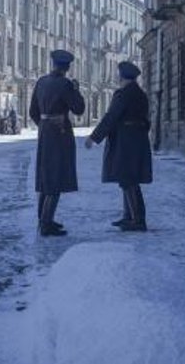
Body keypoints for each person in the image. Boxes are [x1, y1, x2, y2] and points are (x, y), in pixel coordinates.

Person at [85, 60, 152, 232]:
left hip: (125, 142)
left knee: (127, 180)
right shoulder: (141, 94)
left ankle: (137, 220)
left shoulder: (122, 94)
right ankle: (129, 216)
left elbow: (111, 117)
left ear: (122, 76)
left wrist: (94, 137)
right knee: (130, 179)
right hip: (137, 140)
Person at [30, 49, 85, 237]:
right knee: (56, 176)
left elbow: (33, 112)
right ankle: (46, 224)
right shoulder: (65, 84)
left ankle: (43, 220)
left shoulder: (41, 82)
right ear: (67, 67)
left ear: (53, 64)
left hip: (45, 133)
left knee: (45, 175)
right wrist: (76, 90)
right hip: (60, 133)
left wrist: (44, 125)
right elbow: (78, 109)